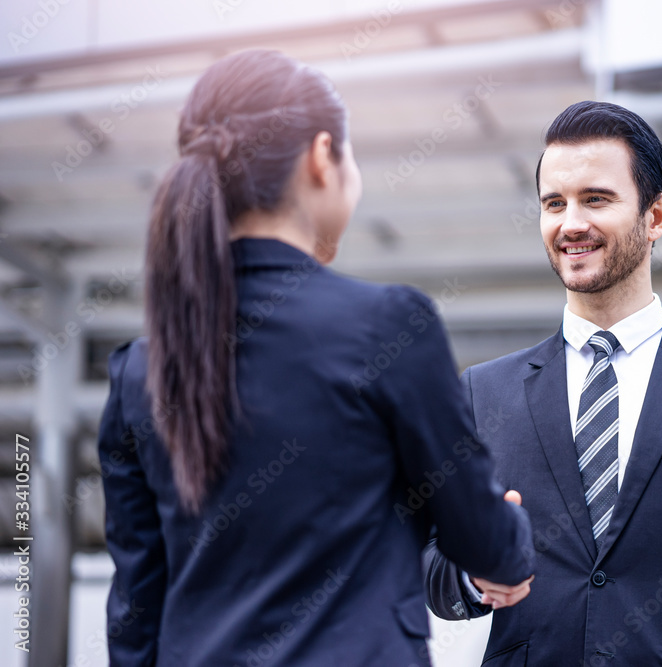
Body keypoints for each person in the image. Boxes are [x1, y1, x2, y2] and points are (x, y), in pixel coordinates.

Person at [98, 49, 534, 667]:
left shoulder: (139, 372)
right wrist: (507, 537)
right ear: (320, 157)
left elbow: (135, 619)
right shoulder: (389, 326)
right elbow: (477, 534)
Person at [423, 101, 662, 666]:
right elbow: (433, 567)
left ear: (656, 217)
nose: (571, 223)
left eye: (595, 199)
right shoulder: (486, 392)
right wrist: (474, 574)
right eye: (554, 203)